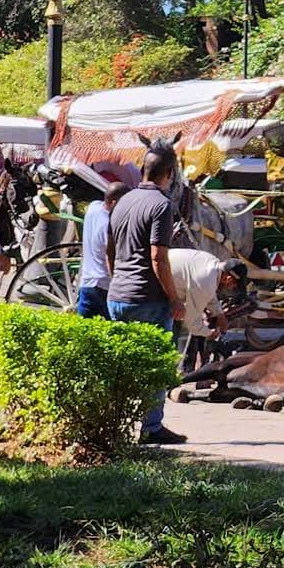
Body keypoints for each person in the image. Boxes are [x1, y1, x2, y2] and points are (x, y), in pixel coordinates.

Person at [107, 144, 187, 446]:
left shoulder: (122, 201)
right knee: (155, 365)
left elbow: (109, 250)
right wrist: (174, 297)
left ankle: (115, 423)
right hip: (149, 299)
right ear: (170, 173)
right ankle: (151, 427)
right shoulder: (161, 205)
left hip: (118, 296)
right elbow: (158, 257)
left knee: (123, 364)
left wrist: (119, 279)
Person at [76, 183, 124, 319]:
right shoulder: (109, 225)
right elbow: (110, 255)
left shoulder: (93, 207)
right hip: (104, 285)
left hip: (86, 282)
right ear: (114, 203)